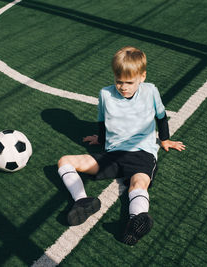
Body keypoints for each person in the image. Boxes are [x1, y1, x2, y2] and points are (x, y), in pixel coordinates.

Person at [57, 46, 185, 245]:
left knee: (139, 184)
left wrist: (165, 140)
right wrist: (100, 138)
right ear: (114, 77)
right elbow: (102, 120)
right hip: (113, 155)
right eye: (119, 81)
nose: (123, 87)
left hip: (142, 153)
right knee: (65, 161)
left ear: (142, 76)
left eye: (129, 82)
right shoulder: (105, 94)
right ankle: (81, 200)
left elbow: (161, 117)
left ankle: (136, 221)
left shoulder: (151, 91)